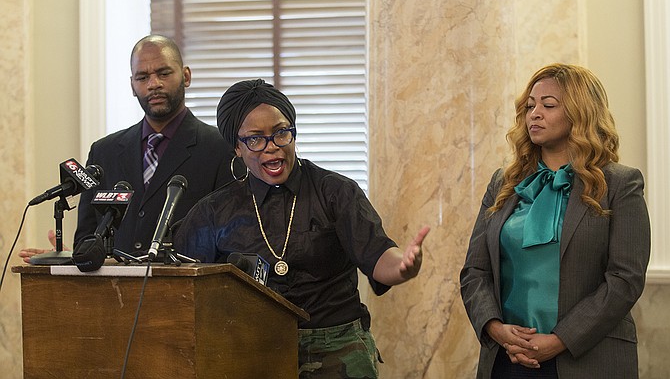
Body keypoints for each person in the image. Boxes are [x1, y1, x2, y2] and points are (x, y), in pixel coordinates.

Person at [173, 78, 430, 378]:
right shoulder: (214, 211)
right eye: (255, 139)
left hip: (338, 346)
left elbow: (378, 255)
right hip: (252, 351)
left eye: (281, 133)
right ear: (237, 149)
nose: (272, 148)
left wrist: (404, 266)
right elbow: (181, 279)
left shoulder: (336, 192)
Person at [460, 63, 651, 378]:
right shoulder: (503, 183)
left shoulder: (620, 183)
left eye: (548, 105)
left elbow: (624, 278)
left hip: (588, 358)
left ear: (580, 113)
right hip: (508, 359)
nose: (534, 113)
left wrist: (561, 339)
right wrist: (495, 329)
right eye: (530, 106)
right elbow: (475, 272)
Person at [19, 34, 236, 261]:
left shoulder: (221, 148)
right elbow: (86, 236)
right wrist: (74, 258)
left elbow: (229, 240)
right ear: (132, 85)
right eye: (143, 77)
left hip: (188, 289)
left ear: (186, 76)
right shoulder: (103, 152)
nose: (154, 84)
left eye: (163, 73)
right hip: (115, 291)